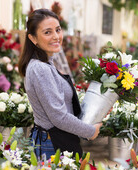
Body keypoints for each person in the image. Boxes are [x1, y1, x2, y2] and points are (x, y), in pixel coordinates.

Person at [18, 9, 101, 160]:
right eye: (47, 32)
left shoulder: (45, 63)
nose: (56, 36)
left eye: (57, 30)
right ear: (33, 38)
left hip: (57, 139)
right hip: (53, 143)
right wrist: (90, 131)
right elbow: (58, 116)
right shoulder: (40, 69)